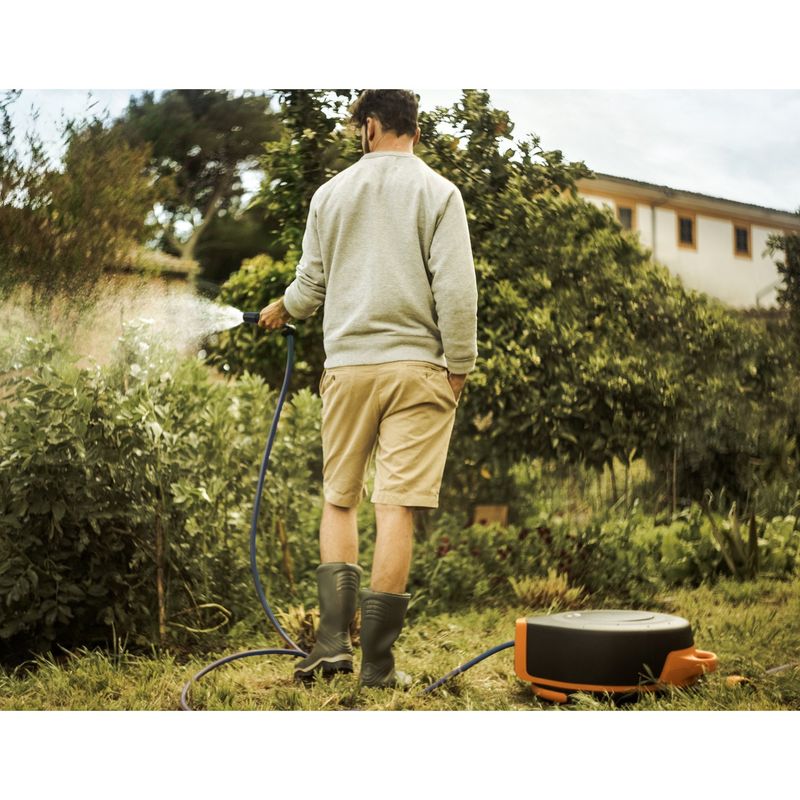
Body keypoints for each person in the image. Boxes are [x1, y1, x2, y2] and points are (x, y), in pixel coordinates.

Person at [258, 89, 477, 688]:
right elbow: (456, 289)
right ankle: (377, 664)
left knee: (340, 498)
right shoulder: (439, 193)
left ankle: (331, 644)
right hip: (417, 370)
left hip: (350, 367)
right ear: (414, 129)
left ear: (371, 126)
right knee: (396, 505)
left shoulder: (330, 194)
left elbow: (311, 285)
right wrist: (458, 366)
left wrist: (283, 309)